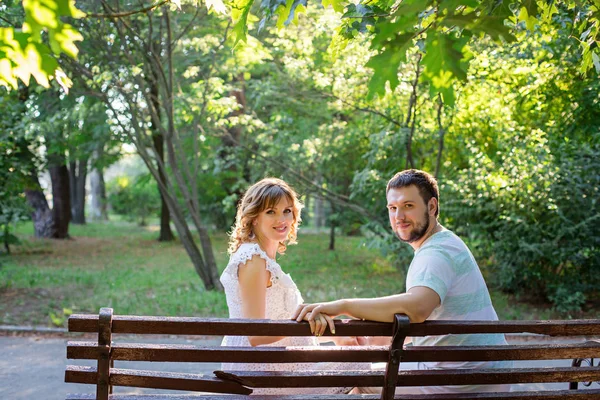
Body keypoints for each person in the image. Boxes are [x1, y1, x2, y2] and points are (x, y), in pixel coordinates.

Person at [293, 169, 511, 395]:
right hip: (480, 370)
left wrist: (343, 306)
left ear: (432, 207)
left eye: (408, 205)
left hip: (460, 377)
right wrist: (373, 338)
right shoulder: (446, 243)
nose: (399, 216)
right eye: (393, 208)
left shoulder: (435, 253)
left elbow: (416, 308)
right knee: (367, 372)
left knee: (356, 379)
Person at [220, 177, 367, 395]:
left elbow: (284, 320)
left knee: (355, 355)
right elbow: (255, 334)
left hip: (276, 363)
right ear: (254, 218)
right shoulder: (253, 260)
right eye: (271, 211)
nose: (282, 219)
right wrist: (308, 324)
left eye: (287, 210)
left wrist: (332, 334)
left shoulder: (263, 259)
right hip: (259, 372)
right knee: (360, 361)